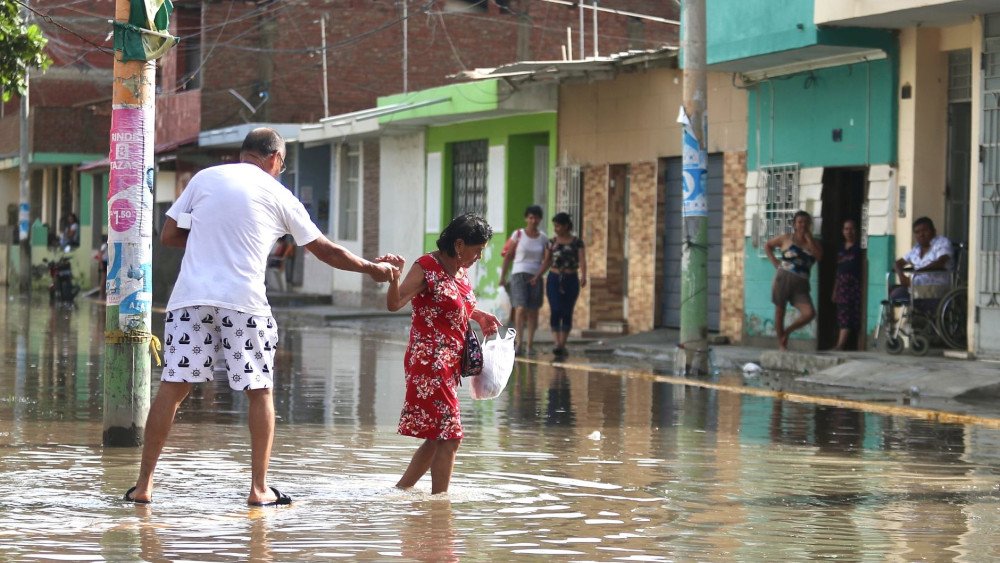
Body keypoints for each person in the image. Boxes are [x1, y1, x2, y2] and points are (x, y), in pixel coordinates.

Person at [123, 128, 397, 506]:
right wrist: (373, 269)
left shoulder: (205, 178)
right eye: (281, 165)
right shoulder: (279, 194)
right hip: (244, 304)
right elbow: (326, 251)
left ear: (244, 153)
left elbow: (168, 234)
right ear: (275, 159)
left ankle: (144, 487)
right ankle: (258, 490)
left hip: (190, 301)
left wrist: (211, 237)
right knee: (259, 391)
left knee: (172, 389)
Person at [383, 213, 502, 494]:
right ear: (460, 244)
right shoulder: (427, 266)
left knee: (438, 436)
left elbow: (455, 306)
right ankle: (440, 506)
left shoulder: (460, 270)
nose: (479, 257)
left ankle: (401, 491)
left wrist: (480, 316)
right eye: (478, 250)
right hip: (429, 361)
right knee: (450, 436)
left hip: (450, 364)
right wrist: (394, 278)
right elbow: (395, 302)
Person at [765, 210, 823, 351]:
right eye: (799, 222)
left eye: (805, 222)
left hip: (801, 285)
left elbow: (819, 257)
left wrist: (809, 239)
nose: (802, 225)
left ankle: (787, 332)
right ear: (795, 224)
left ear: (809, 224)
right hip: (783, 279)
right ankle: (782, 344)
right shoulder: (786, 238)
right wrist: (774, 261)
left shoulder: (814, 243)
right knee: (780, 311)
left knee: (809, 313)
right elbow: (768, 245)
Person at [533, 212, 587, 357]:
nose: (556, 228)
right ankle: (557, 343)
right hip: (554, 278)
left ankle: (562, 344)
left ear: (566, 226)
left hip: (571, 278)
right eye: (555, 226)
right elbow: (547, 261)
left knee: (567, 310)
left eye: (558, 225)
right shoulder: (551, 242)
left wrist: (584, 275)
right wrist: (537, 275)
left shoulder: (577, 242)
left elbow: (582, 260)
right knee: (555, 309)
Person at [499, 205, 548, 354]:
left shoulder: (543, 238)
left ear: (540, 219)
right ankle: (519, 343)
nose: (533, 220)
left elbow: (547, 258)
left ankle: (529, 345)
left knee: (533, 310)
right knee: (520, 308)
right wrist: (502, 276)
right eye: (530, 217)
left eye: (536, 217)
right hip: (518, 274)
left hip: (536, 276)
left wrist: (539, 275)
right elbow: (508, 256)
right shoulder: (518, 234)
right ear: (526, 218)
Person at [892, 216, 952, 302]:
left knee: (898, 293)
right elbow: (898, 263)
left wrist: (919, 271)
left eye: (925, 231)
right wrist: (901, 276)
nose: (921, 235)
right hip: (916, 286)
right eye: (917, 232)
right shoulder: (916, 249)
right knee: (894, 293)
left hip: (936, 287)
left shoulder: (942, 242)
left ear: (934, 231)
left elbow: (941, 262)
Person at [831, 219, 863, 350]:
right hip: (842, 286)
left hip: (855, 285)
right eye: (846, 229)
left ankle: (845, 344)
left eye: (852, 228)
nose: (849, 232)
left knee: (853, 314)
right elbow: (838, 270)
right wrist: (835, 290)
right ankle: (840, 345)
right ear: (843, 231)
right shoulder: (841, 249)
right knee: (843, 314)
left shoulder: (860, 248)